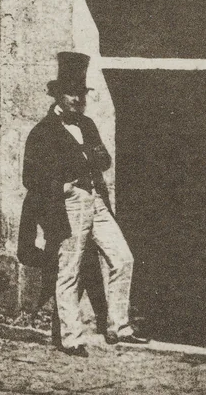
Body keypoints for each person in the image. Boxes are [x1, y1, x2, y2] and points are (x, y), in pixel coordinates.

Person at [21, 52, 147, 358]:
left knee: (122, 258)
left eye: (82, 94)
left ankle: (119, 326)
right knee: (70, 269)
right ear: (58, 96)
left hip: (96, 200)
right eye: (71, 94)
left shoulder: (88, 125)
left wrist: (88, 158)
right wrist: (63, 188)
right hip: (69, 203)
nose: (78, 99)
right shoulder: (43, 133)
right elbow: (31, 177)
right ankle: (71, 337)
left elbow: (104, 159)